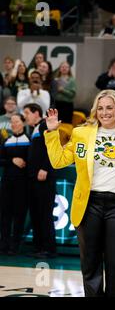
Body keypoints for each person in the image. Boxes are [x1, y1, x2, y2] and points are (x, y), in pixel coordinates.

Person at [44, 89, 115, 297]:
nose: (105, 112)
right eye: (101, 108)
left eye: (110, 108)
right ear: (96, 111)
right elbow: (58, 161)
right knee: (91, 264)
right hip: (89, 204)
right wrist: (52, 133)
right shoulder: (81, 134)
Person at [23, 103, 56, 259]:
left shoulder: (44, 125)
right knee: (36, 214)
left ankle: (49, 248)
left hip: (45, 178)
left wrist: (45, 168)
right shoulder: (34, 129)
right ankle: (39, 247)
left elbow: (53, 147)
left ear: (36, 113)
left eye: (27, 113)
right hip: (33, 179)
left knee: (44, 214)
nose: (25, 117)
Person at [0, 113, 30, 255]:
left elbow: (31, 162)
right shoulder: (6, 141)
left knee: (19, 216)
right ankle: (4, 244)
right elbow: (1, 159)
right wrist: (12, 160)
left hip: (22, 185)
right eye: (12, 122)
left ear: (23, 123)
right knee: (5, 215)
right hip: (7, 184)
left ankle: (15, 246)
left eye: (16, 121)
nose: (13, 124)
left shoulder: (29, 140)